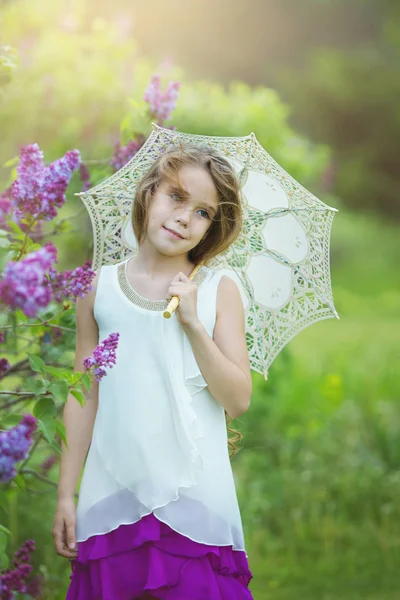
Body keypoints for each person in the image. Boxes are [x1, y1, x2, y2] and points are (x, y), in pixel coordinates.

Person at [53, 142, 254, 599]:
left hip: (194, 500)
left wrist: (192, 323)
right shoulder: (98, 287)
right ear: (148, 193)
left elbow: (238, 400)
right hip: (113, 490)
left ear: (211, 228)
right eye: (177, 196)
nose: (185, 218)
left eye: (203, 213)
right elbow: (83, 395)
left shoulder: (217, 289)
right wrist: (67, 493)